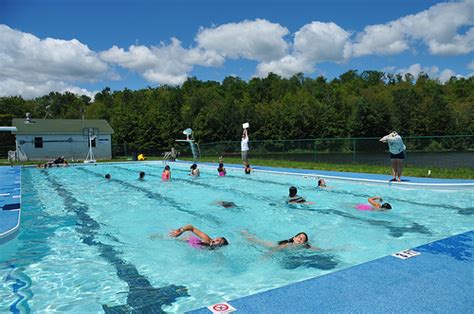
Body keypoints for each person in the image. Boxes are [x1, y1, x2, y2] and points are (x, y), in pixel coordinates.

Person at [242, 230, 314, 250]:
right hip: (272, 246)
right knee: (256, 241)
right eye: (298, 237)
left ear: (304, 243)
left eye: (302, 239)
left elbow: (315, 249)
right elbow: (275, 249)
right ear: (294, 238)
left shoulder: (303, 247)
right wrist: (266, 256)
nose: (300, 239)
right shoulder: (288, 244)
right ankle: (245, 233)